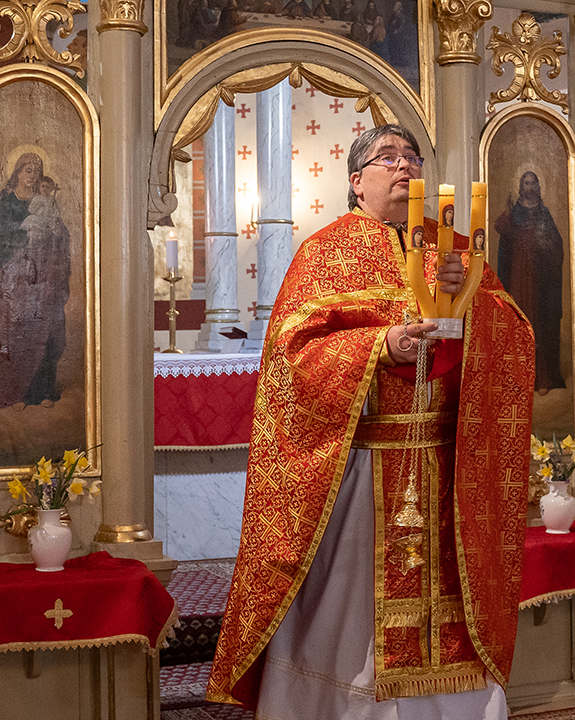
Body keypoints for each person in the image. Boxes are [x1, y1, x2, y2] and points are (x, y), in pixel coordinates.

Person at [208, 124, 536, 719]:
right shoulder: (327, 250)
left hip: (444, 470)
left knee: (451, 610)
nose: (404, 166)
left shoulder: (457, 248)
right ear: (357, 182)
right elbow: (292, 351)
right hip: (359, 470)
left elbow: (514, 337)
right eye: (387, 158)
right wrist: (381, 345)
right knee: (351, 615)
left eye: (411, 157)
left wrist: (472, 304)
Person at [0, 152, 72, 410]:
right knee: (17, 332)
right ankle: (18, 394)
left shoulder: (44, 201)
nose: (32, 176)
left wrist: (56, 232)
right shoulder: (6, 201)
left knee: (45, 330)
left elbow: (61, 233)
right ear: (17, 172)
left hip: (43, 276)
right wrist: (24, 230)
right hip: (15, 277)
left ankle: (43, 391)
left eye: (36, 172)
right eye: (28, 170)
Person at [495, 170, 565, 394]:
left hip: (541, 280)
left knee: (541, 324)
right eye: (526, 183)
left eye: (533, 182)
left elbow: (556, 245)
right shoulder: (514, 212)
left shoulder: (544, 214)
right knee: (520, 323)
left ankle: (542, 378)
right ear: (521, 186)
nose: (529, 186)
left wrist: (545, 251)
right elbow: (504, 237)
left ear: (538, 186)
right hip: (518, 276)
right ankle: (519, 377)